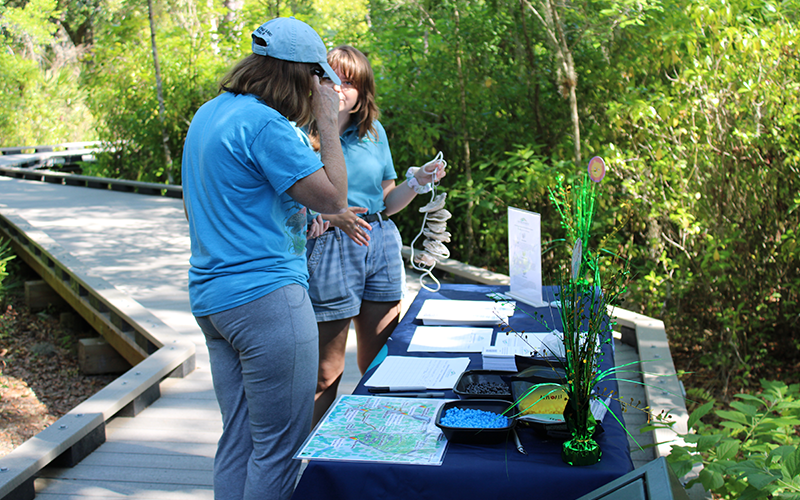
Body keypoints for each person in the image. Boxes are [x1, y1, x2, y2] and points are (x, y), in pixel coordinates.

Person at [181, 17, 351, 500]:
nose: (322, 90)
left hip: (214, 300)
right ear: (300, 75)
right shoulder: (265, 124)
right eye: (319, 81)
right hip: (266, 299)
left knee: (238, 441)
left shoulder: (210, 113)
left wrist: (294, 215)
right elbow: (337, 196)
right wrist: (327, 121)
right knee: (280, 449)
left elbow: (235, 197)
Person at [305, 45, 446, 426]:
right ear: (316, 84)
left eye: (349, 82)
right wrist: (319, 215)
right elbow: (292, 199)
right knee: (325, 372)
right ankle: (304, 462)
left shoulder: (374, 132)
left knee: (380, 360)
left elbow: (386, 201)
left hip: (380, 242)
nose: (339, 89)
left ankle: (375, 443)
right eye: (331, 80)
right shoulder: (302, 133)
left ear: (362, 90)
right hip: (330, 248)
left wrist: (417, 181)